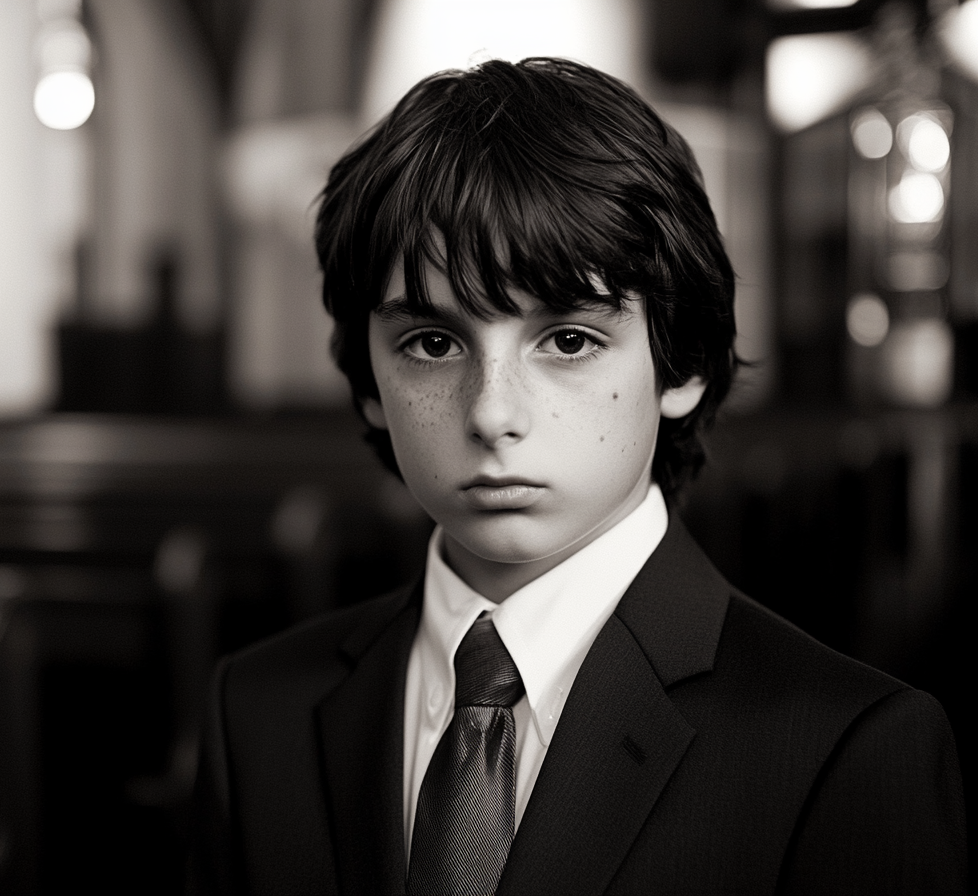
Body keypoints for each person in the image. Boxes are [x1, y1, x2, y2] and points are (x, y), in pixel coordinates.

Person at [188, 58, 967, 895]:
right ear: (370, 380)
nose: (492, 415)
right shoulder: (257, 712)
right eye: (432, 343)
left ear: (682, 364)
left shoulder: (842, 748)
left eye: (566, 340)